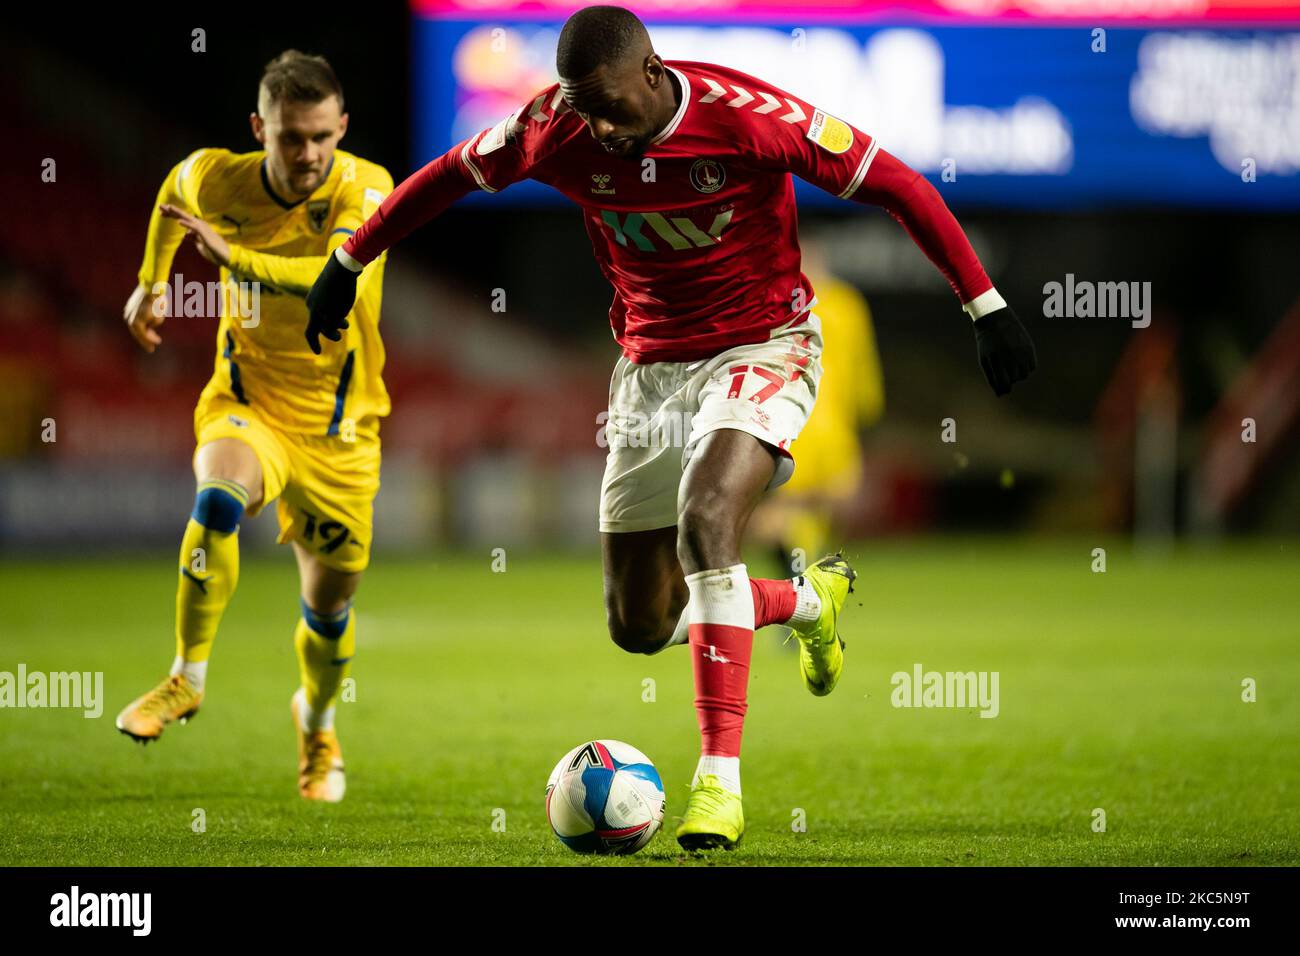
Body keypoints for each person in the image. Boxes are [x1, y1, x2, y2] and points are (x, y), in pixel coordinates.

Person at [305, 6, 1036, 847]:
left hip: (764, 344)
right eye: (586, 109)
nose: (602, 127)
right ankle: (804, 600)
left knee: (707, 521)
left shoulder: (749, 118)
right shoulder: (553, 128)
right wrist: (348, 260)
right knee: (639, 623)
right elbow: (445, 176)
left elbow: (897, 183)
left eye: (613, 105)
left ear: (653, 74)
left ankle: (716, 786)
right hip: (649, 374)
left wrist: (986, 304)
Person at [117, 51, 394, 804]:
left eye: (318, 137)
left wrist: (232, 257)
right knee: (216, 500)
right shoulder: (218, 177)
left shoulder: (369, 189)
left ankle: (317, 722)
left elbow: (333, 278)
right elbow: (173, 193)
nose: (306, 155)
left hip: (340, 433)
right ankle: (187, 676)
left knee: (330, 612)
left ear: (342, 127)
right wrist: (151, 283)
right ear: (258, 129)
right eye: (288, 138)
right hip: (250, 404)